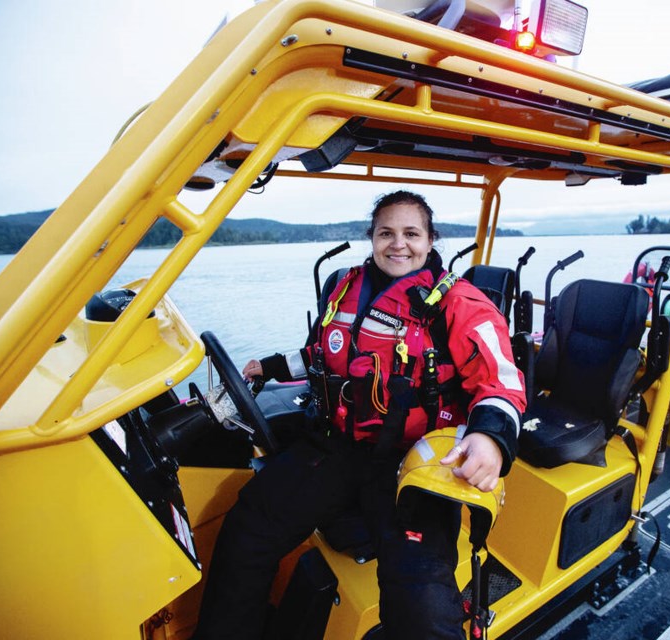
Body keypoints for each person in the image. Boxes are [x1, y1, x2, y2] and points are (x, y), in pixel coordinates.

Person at [191, 190, 527, 640]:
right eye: (386, 233)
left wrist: (490, 436)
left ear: (430, 241)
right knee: (248, 528)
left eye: (411, 233)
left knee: (420, 607)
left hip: (414, 464)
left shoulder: (460, 304)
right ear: (371, 237)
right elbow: (326, 352)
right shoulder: (344, 286)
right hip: (339, 445)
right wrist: (270, 366)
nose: (398, 244)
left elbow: (501, 381)